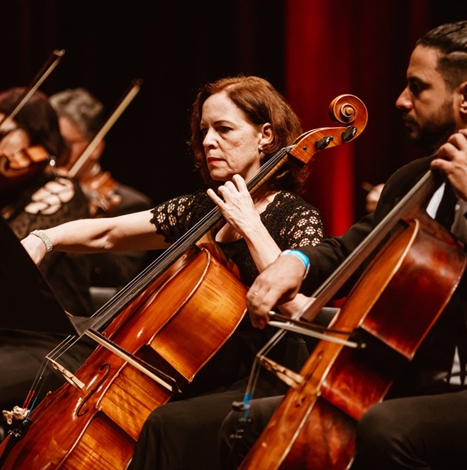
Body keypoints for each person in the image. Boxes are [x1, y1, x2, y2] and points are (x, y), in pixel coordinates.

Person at [223, 11, 467, 470]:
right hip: (404, 383)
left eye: (418, 87)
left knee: (390, 429)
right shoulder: (412, 179)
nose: (400, 100)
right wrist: (295, 262)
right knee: (248, 421)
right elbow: (354, 245)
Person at [21, 75, 324, 469]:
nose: (208, 141)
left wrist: (251, 225)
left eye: (224, 129)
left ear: (265, 135)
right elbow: (110, 233)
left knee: (164, 423)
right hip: (188, 371)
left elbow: (298, 305)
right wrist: (44, 238)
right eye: (204, 131)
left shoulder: (296, 216)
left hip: (256, 377)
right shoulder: (204, 210)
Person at [0, 88, 95, 429]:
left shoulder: (61, 190)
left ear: (37, 135)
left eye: (3, 133)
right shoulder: (9, 194)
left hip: (52, 341)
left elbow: (12, 264)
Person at [49, 88, 153, 297]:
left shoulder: (130, 204)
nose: (54, 152)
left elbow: (118, 277)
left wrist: (86, 219)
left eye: (64, 144)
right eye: (49, 142)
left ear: (95, 147)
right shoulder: (35, 190)